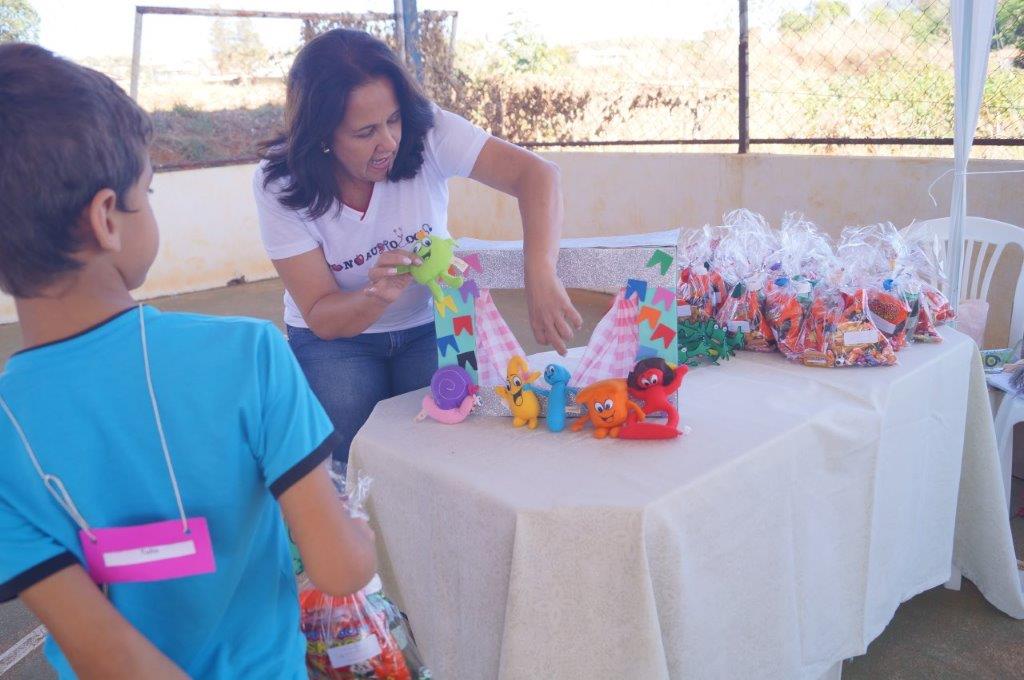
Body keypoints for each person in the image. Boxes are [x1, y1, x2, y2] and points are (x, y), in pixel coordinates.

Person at [0, 43, 375, 679]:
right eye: (147, 191)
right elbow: (339, 568)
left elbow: (108, 658)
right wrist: (358, 535)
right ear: (106, 219)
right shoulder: (249, 355)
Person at [255, 29, 583, 464]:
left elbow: (538, 175)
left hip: (429, 322)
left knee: (446, 446)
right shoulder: (281, 183)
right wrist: (375, 297)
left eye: (393, 120)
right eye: (365, 132)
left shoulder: (427, 130)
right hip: (334, 341)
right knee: (347, 457)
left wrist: (540, 271)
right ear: (322, 136)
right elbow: (321, 316)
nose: (389, 142)